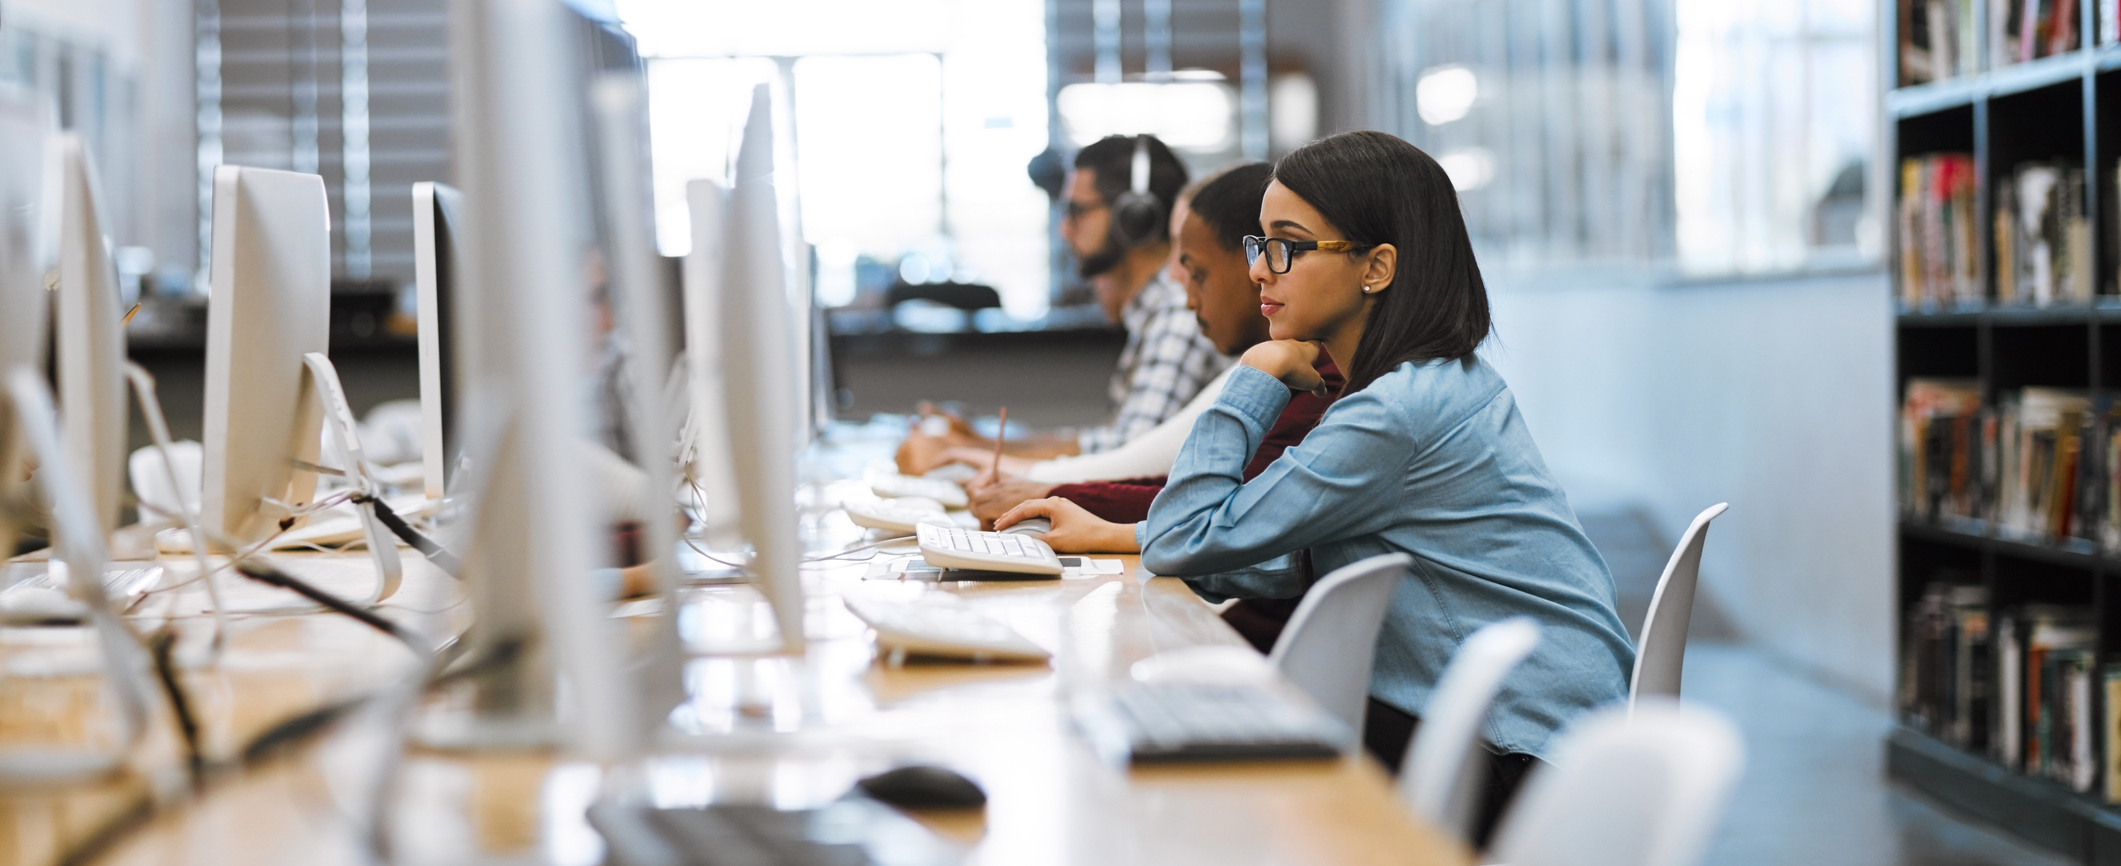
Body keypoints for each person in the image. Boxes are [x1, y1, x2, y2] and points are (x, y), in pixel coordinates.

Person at [995, 131, 1635, 846]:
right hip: (1540, 727)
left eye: (1287, 246)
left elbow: (1188, 538)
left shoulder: (1393, 412)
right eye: (1258, 244)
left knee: (1186, 775)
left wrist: (1254, 376)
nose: (1260, 272)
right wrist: (1127, 536)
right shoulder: (1423, 384)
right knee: (1182, 730)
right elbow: (1290, 550)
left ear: (1376, 267)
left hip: (1515, 753)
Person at [965, 163, 1340, 530]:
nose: (1258, 270)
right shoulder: (1294, 363)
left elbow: (1214, 517)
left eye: (1287, 247)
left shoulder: (1322, 380)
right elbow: (1197, 500)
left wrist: (1053, 496)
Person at [897, 135, 1225, 472]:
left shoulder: (1178, 315)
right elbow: (1108, 442)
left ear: (1134, 218)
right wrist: (979, 443)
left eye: (1076, 211)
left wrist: (964, 454)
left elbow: (1126, 460)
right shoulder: (1156, 314)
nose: (1064, 230)